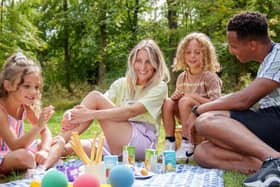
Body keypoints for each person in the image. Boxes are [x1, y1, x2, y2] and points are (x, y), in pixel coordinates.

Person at [191, 11, 280, 186]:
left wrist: (199, 110)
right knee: (203, 153)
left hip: (277, 117)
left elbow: (244, 100)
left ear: (252, 45)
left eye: (234, 46)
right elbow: (243, 96)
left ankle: (275, 160)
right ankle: (270, 169)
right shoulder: (269, 60)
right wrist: (209, 105)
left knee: (206, 121)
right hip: (271, 121)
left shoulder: (278, 56)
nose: (231, 51)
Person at [60, 39, 170, 160]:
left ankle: (59, 141)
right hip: (115, 140)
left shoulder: (159, 86)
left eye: (148, 62)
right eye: (138, 61)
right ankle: (53, 147)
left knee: (95, 96)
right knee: (71, 147)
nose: (143, 66)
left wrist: (90, 115)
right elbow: (96, 105)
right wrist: (69, 114)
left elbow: (130, 112)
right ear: (132, 62)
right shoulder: (121, 84)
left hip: (142, 143)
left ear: (156, 64)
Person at [0, 53, 65, 174]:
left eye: (36, 87)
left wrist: (44, 150)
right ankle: (38, 166)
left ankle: (41, 169)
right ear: (8, 86)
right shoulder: (1, 111)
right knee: (24, 157)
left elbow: (45, 132)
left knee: (59, 141)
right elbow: (14, 146)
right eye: (27, 86)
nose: (34, 92)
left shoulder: (26, 107)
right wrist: (38, 126)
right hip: (7, 156)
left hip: (19, 151)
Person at [162, 32, 222, 161]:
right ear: (182, 55)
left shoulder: (209, 77)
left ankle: (187, 144)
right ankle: (169, 143)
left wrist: (192, 97)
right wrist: (175, 97)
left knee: (186, 100)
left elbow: (217, 104)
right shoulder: (182, 77)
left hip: (204, 115)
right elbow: (178, 102)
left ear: (205, 55)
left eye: (197, 52)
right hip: (185, 115)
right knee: (168, 102)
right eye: (188, 52)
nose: (192, 56)